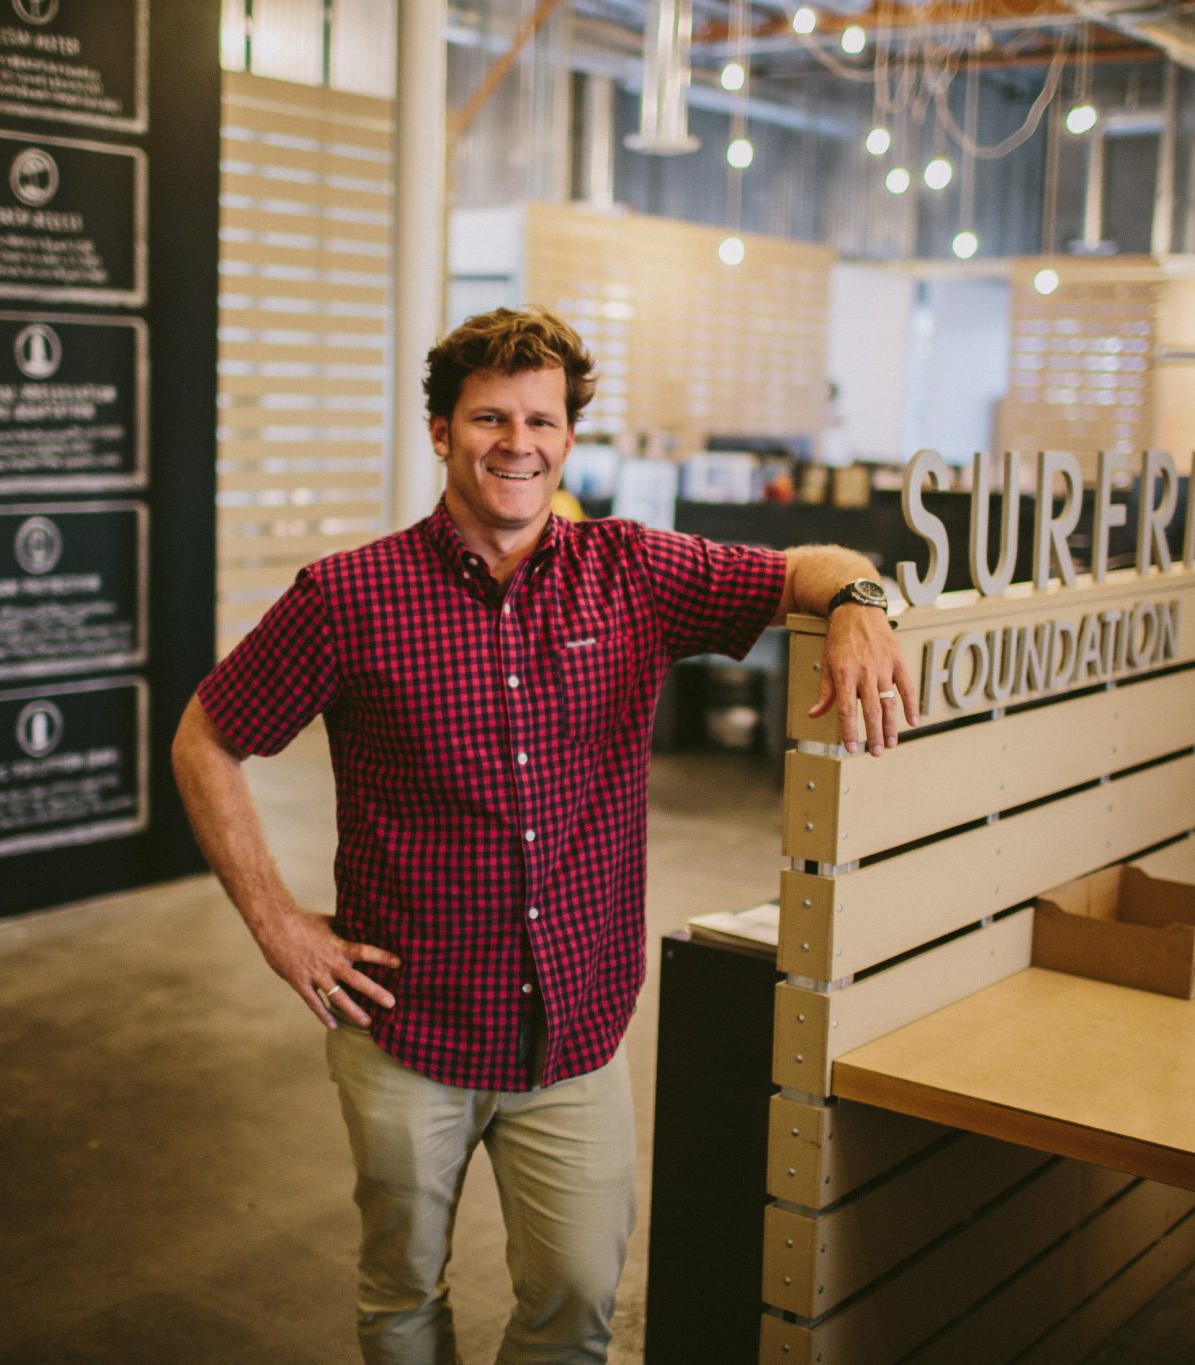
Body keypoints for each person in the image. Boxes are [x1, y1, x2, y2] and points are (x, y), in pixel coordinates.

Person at [171, 306, 916, 1364]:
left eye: (540, 419)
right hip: (405, 1026)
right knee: (399, 1297)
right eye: (487, 418)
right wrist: (276, 925)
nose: (515, 442)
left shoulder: (633, 573)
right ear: (440, 431)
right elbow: (206, 738)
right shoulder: (349, 597)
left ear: (567, 437)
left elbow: (809, 563)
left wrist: (857, 601)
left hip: (574, 1033)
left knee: (575, 1302)